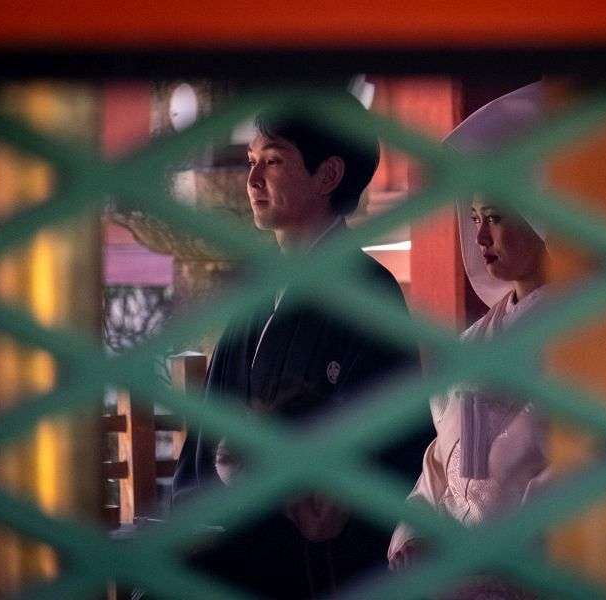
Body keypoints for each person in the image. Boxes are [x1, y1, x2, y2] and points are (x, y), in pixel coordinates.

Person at [172, 91, 426, 599]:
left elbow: (384, 451)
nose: (252, 180)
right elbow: (208, 433)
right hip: (230, 544)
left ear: (327, 175)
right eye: (251, 161)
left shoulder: (367, 292)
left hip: (314, 565)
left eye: (273, 162)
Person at [388, 82, 556, 598]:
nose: (481, 236)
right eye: (476, 218)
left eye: (497, 218)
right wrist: (415, 533)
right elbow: (440, 462)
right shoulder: (471, 343)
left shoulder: (581, 336)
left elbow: (567, 470)